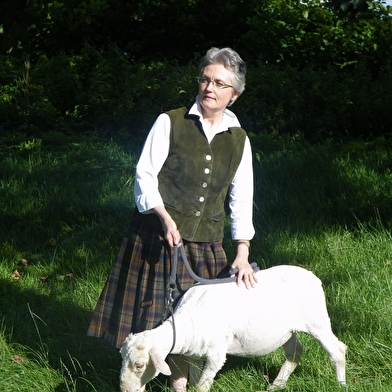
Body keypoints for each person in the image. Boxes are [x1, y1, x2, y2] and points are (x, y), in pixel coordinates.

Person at [87, 47, 257, 391]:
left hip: (207, 243)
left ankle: (182, 381)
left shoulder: (239, 140)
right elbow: (144, 176)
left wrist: (242, 250)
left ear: (234, 94)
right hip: (158, 236)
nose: (209, 88)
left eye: (219, 83)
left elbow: (242, 197)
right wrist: (163, 215)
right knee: (152, 315)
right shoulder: (170, 121)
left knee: (197, 322)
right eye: (205, 79)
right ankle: (136, 379)